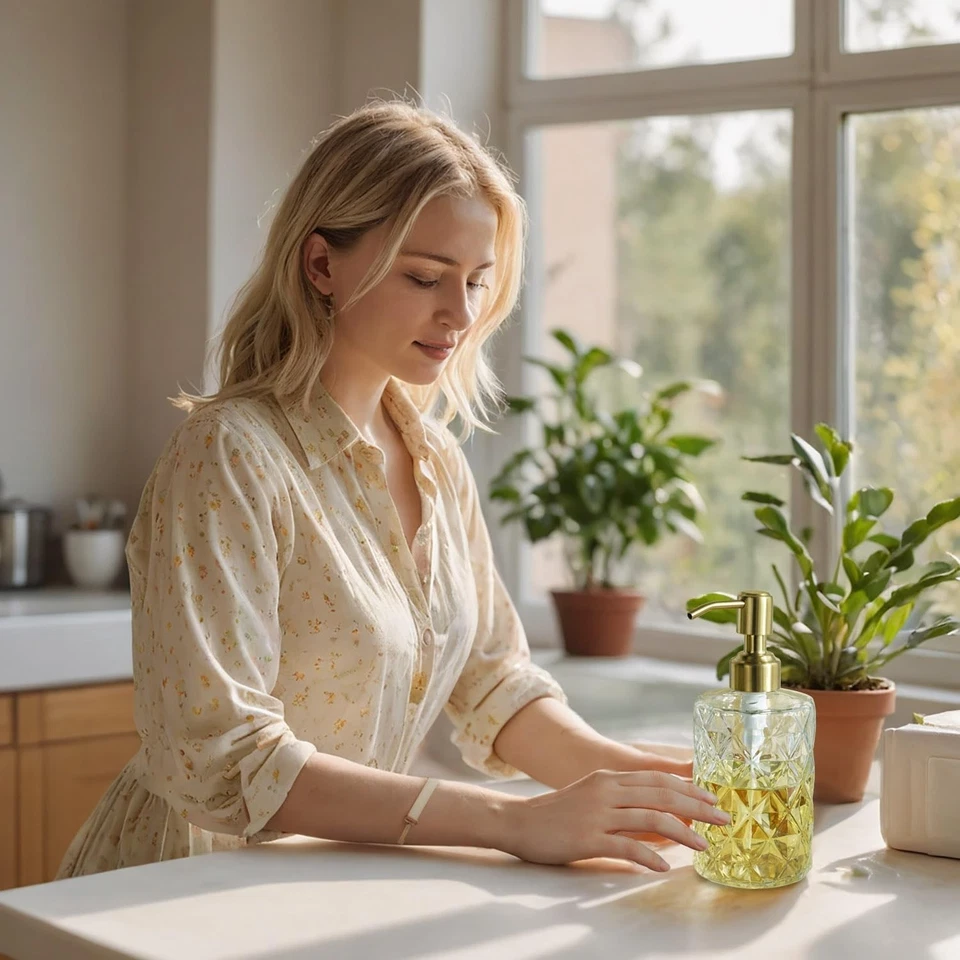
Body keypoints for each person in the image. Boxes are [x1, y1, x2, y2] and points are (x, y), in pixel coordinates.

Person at [57, 100, 730, 879]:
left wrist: (637, 782)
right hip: (182, 889)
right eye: (424, 277)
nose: (461, 313)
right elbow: (226, 755)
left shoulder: (435, 457)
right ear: (321, 266)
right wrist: (513, 822)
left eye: (478, 282)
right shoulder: (229, 456)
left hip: (335, 881)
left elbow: (490, 677)